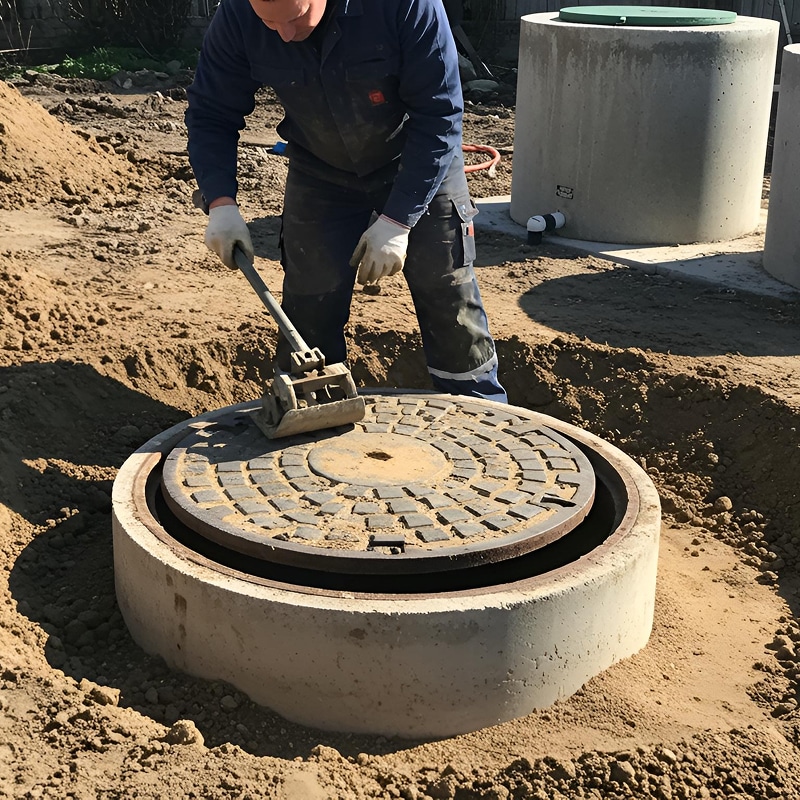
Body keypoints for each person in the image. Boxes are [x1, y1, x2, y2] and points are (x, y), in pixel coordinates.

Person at [185, 0, 507, 403]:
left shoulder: (404, 6)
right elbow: (211, 112)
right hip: (320, 168)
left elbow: (439, 114)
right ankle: (311, 408)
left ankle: (480, 410)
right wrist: (221, 203)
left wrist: (398, 221)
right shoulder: (237, 15)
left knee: (446, 295)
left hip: (418, 158)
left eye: (296, 18)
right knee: (310, 302)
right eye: (270, 23)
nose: (285, 34)